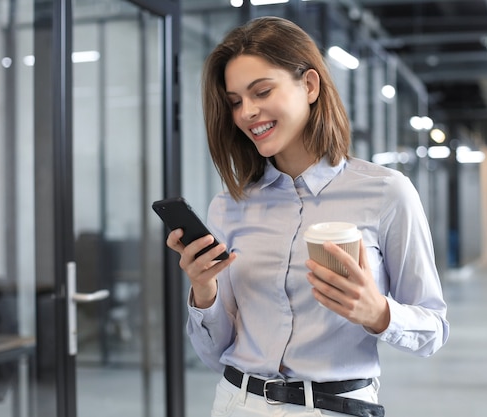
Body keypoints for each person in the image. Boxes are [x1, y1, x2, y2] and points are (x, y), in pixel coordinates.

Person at [166, 16, 449, 417]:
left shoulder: (387, 192)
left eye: (261, 91)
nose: (247, 112)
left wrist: (378, 312)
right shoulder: (229, 205)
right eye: (234, 102)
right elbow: (215, 354)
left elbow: (432, 330)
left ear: (310, 85)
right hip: (236, 404)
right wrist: (204, 290)